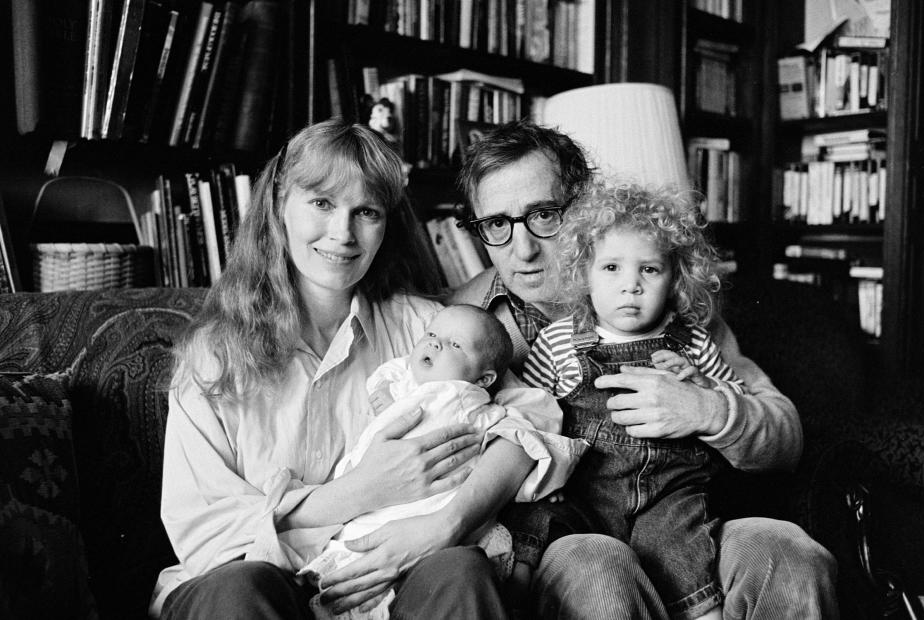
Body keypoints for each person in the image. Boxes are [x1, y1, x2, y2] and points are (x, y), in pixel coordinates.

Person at [150, 119, 581, 620]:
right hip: (254, 583)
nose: (342, 233)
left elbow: (532, 422)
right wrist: (359, 492)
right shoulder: (214, 357)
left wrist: (447, 522)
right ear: (278, 209)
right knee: (239, 589)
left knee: (459, 569)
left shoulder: (426, 327)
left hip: (389, 580)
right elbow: (204, 532)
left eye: (366, 212)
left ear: (385, 227)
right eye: (322, 203)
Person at [450, 119, 840, 619]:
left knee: (787, 551)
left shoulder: (663, 304)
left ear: (583, 209)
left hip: (684, 521)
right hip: (570, 536)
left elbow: (784, 435)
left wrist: (709, 408)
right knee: (595, 563)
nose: (522, 249)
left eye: (544, 215)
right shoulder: (458, 322)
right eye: (497, 224)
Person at [522, 182, 745, 620]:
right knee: (535, 526)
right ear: (583, 272)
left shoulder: (693, 342)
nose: (631, 287)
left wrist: (701, 387)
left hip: (670, 495)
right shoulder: (560, 341)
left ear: (676, 277)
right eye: (611, 268)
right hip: (585, 490)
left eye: (649, 270)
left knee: (684, 551)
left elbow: (732, 397)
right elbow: (528, 413)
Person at [298, 304, 586, 619]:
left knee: (377, 573)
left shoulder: (471, 404)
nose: (435, 343)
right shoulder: (407, 387)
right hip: (363, 505)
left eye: (455, 344)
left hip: (428, 526)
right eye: (432, 334)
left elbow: (528, 431)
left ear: (484, 379)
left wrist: (540, 482)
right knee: (352, 559)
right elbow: (395, 372)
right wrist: (389, 397)